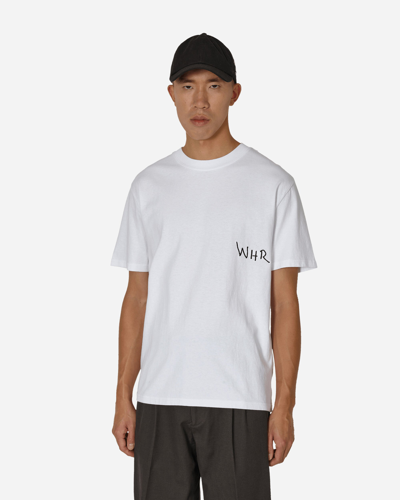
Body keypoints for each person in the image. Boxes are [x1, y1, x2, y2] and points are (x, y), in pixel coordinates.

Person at [110, 32, 317, 500]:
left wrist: (284, 405)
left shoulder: (273, 185)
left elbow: (285, 304)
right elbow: (136, 297)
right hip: (160, 396)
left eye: (214, 86)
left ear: (235, 93)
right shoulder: (148, 186)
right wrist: (123, 393)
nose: (199, 101)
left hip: (240, 398)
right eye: (187, 86)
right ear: (171, 94)